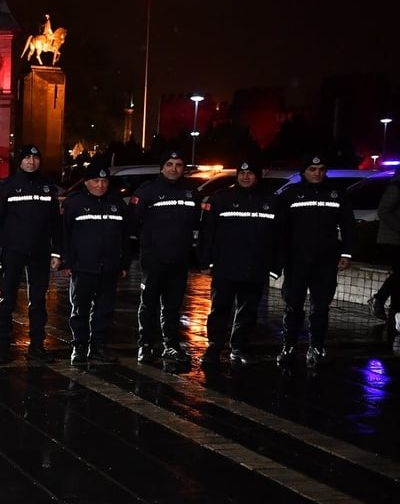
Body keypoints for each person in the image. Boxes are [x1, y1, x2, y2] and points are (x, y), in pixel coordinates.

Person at [199, 159, 281, 366]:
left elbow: (280, 236)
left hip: (255, 267)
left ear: (258, 175)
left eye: (250, 173)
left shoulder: (271, 200)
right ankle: (214, 347)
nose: (246, 177)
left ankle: (239, 348)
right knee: (219, 309)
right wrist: (206, 261)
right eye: (242, 173)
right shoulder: (221, 198)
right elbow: (208, 232)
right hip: (225, 266)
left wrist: (274, 267)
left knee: (248, 311)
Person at [276, 153, 354, 366]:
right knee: (293, 306)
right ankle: (289, 346)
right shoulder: (291, 194)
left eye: (320, 170)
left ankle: (317, 346)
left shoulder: (336, 194)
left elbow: (348, 225)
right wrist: (280, 258)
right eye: (312, 169)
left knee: (320, 308)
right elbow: (281, 229)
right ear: (303, 172)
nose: (317, 173)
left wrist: (346, 253)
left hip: (325, 262)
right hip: (297, 262)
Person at [0, 144, 62, 363]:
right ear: (19, 161)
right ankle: (2, 348)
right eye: (27, 157)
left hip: (40, 252)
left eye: (35, 158)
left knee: (38, 301)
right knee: (7, 299)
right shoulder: (8, 186)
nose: (31, 162)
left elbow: (56, 223)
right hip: (12, 252)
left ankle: (37, 346)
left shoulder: (47, 187)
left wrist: (57, 252)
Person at [130, 149, 200, 367]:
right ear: (162, 167)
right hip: (154, 260)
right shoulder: (148, 191)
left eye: (178, 164)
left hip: (179, 260)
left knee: (173, 306)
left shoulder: (191, 193)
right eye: (169, 164)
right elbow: (133, 223)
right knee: (149, 304)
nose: (174, 168)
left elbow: (196, 226)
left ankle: (171, 344)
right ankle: (146, 344)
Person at [60, 165, 131, 365]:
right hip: (83, 266)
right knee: (80, 308)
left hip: (109, 266)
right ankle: (79, 347)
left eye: (104, 181)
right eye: (96, 181)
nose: (100, 185)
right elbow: (64, 235)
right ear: (86, 182)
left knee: (105, 309)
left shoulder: (116, 204)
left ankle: (99, 347)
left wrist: (124, 262)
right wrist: (66, 262)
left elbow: (125, 237)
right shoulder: (74, 204)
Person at [374, 169, 400, 338]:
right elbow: (383, 210)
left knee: (399, 275)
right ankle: (389, 307)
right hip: (393, 240)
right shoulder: (397, 186)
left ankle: (388, 306)